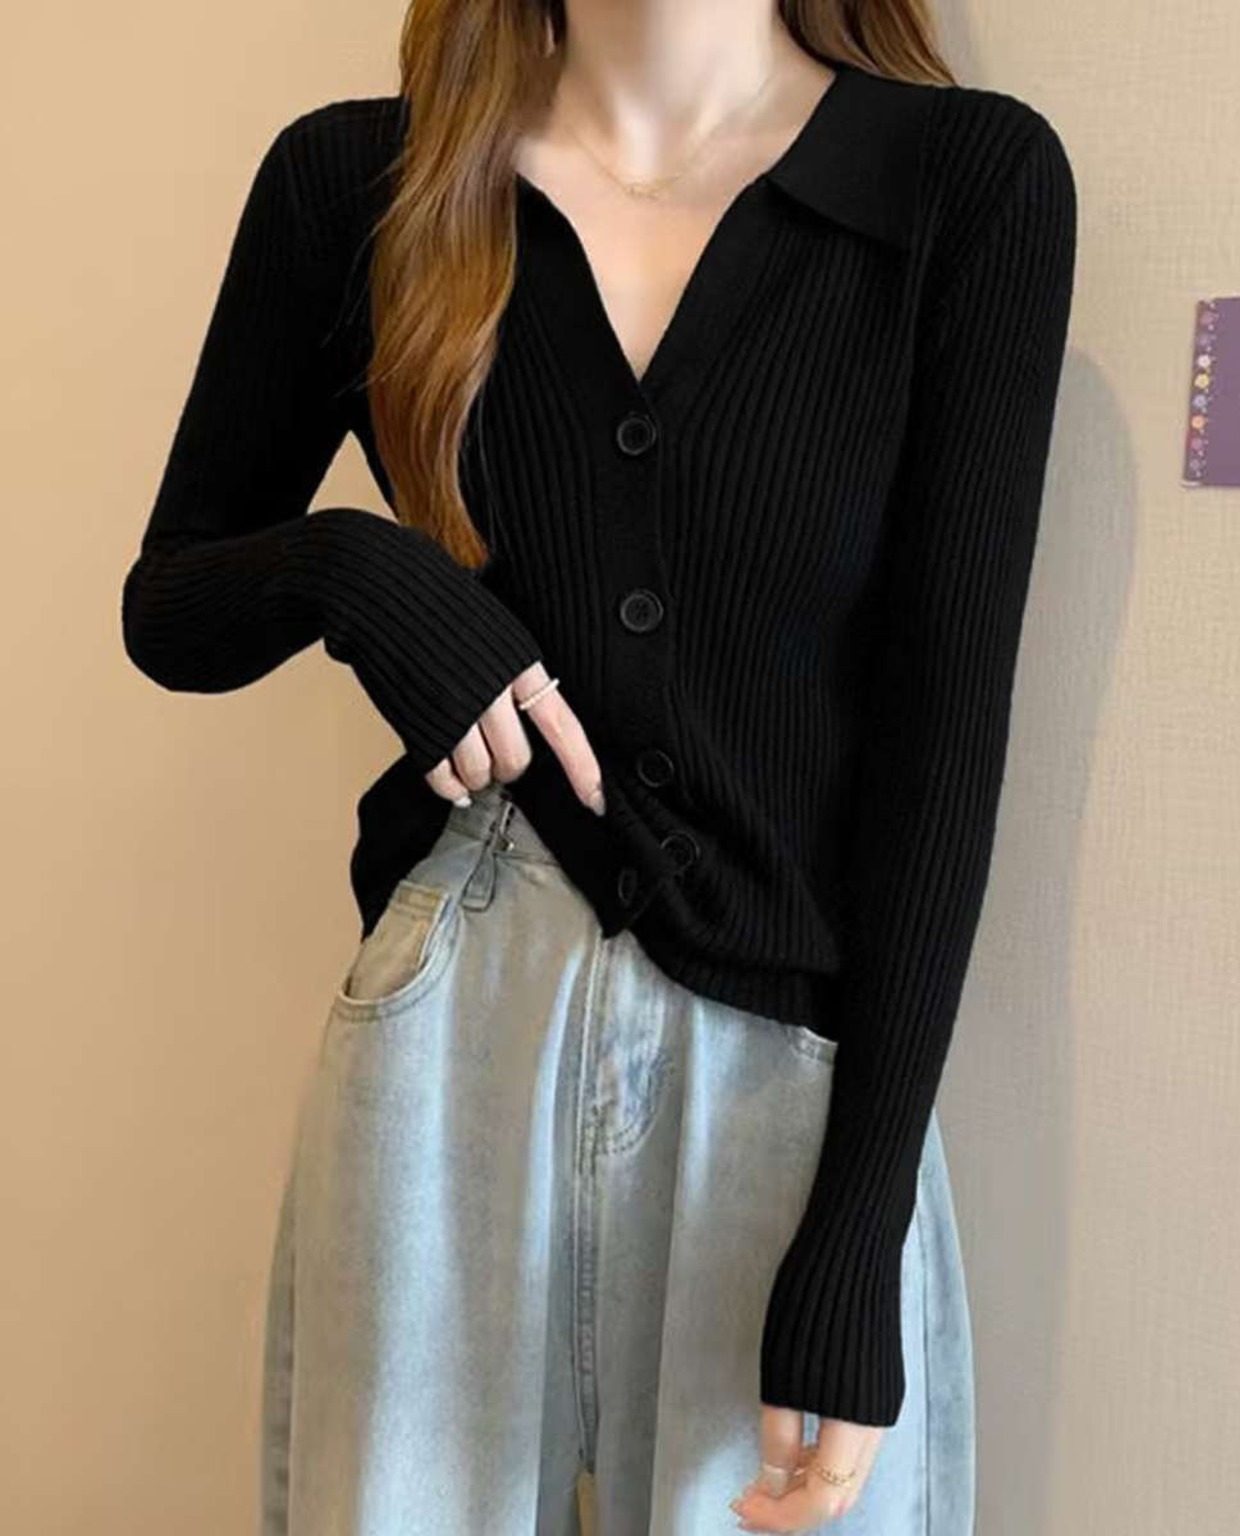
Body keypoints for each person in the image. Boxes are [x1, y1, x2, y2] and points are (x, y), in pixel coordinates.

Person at [120, 1, 1076, 1532]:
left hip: (789, 1079)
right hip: (448, 1040)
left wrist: (860, 1224)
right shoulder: (363, 184)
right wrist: (356, 571)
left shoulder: (963, 183)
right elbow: (170, 603)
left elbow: (944, 744)